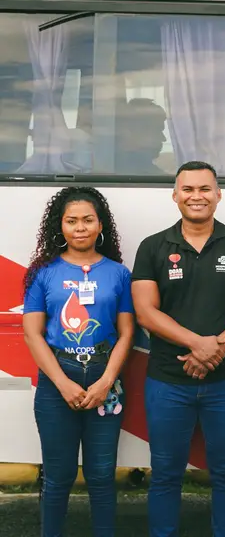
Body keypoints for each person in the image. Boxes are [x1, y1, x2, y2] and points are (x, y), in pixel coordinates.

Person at [131, 160, 225, 537]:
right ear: (175, 195)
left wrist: (216, 350)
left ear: (218, 194)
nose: (197, 196)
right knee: (165, 474)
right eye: (188, 189)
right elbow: (145, 312)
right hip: (168, 382)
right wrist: (198, 344)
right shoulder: (153, 247)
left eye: (205, 189)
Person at [22, 187, 134, 537]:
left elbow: (127, 333)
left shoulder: (118, 273)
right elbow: (32, 334)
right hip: (58, 380)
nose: (80, 227)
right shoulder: (43, 273)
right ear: (61, 226)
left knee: (102, 475)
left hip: (106, 379)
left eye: (88, 220)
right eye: (72, 221)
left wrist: (105, 382)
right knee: (58, 475)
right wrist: (63, 383)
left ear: (100, 225)